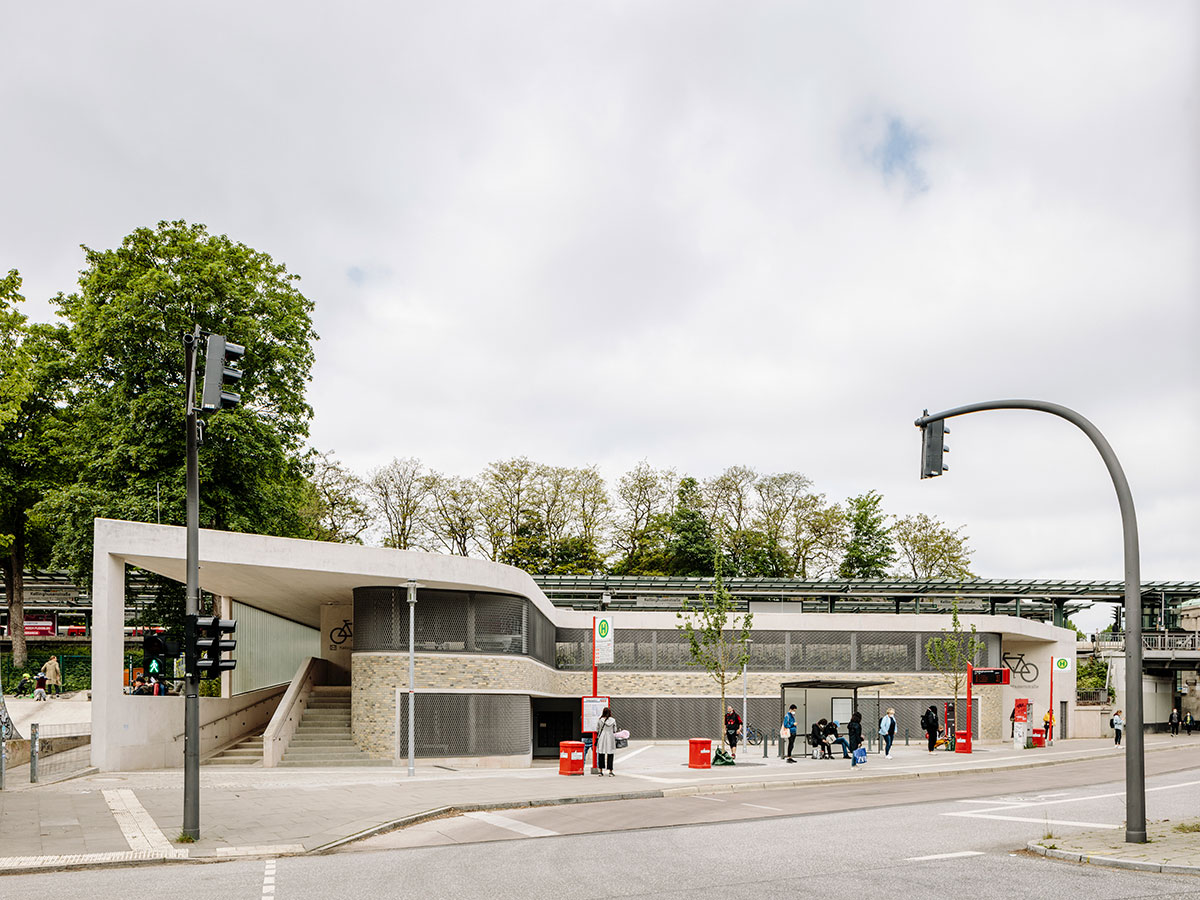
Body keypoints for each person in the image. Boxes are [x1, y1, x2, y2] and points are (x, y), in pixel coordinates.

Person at [595, 707, 617, 776]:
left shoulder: (600, 720)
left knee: (601, 754)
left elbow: (597, 730)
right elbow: (615, 730)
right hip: (610, 738)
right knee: (610, 754)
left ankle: (600, 771)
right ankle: (610, 771)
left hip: (602, 737)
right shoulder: (613, 720)